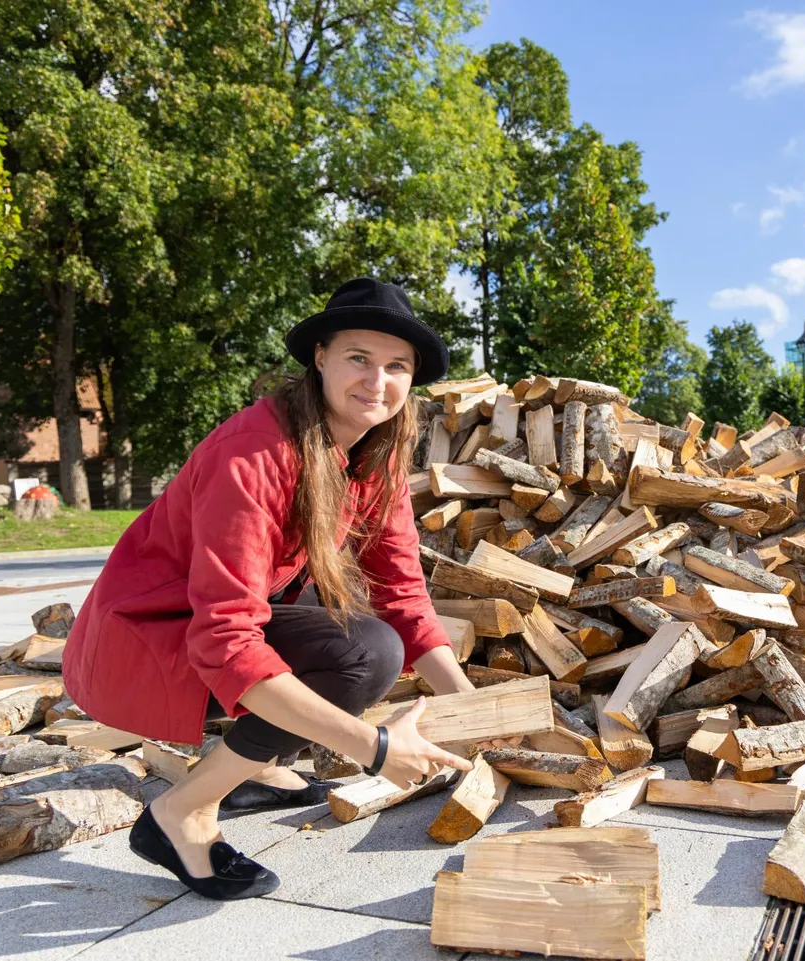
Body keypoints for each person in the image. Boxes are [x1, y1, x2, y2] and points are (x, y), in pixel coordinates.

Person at [63, 278, 517, 900]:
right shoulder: (254, 454)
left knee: (340, 611)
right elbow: (225, 634)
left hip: (202, 629)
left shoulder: (375, 454)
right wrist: (375, 748)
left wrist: (472, 711)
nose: (376, 382)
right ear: (320, 357)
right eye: (359, 358)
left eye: (397, 367)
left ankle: (253, 771)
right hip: (143, 646)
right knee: (365, 653)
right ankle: (183, 813)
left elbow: (404, 595)